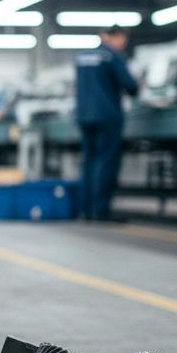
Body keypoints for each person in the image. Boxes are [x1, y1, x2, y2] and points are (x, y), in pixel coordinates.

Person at [74, 28, 139, 221]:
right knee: (106, 161)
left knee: (89, 161)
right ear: (118, 37)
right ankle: (101, 211)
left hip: (84, 115)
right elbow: (130, 86)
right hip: (107, 115)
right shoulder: (112, 56)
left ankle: (86, 210)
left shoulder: (82, 56)